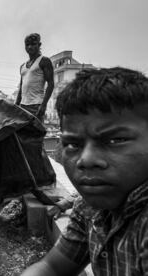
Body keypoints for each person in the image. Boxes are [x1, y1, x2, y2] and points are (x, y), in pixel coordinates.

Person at [21, 67, 148, 276]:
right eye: (72, 144)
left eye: (116, 140)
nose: (85, 160)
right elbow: (52, 267)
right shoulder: (89, 206)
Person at [16, 33, 54, 122]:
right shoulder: (22, 66)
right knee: (22, 134)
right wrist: (16, 105)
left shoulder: (44, 61)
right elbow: (21, 88)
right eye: (27, 45)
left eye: (33, 44)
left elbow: (51, 84)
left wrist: (43, 105)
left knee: (36, 133)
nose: (30, 47)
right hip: (23, 106)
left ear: (39, 45)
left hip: (36, 105)